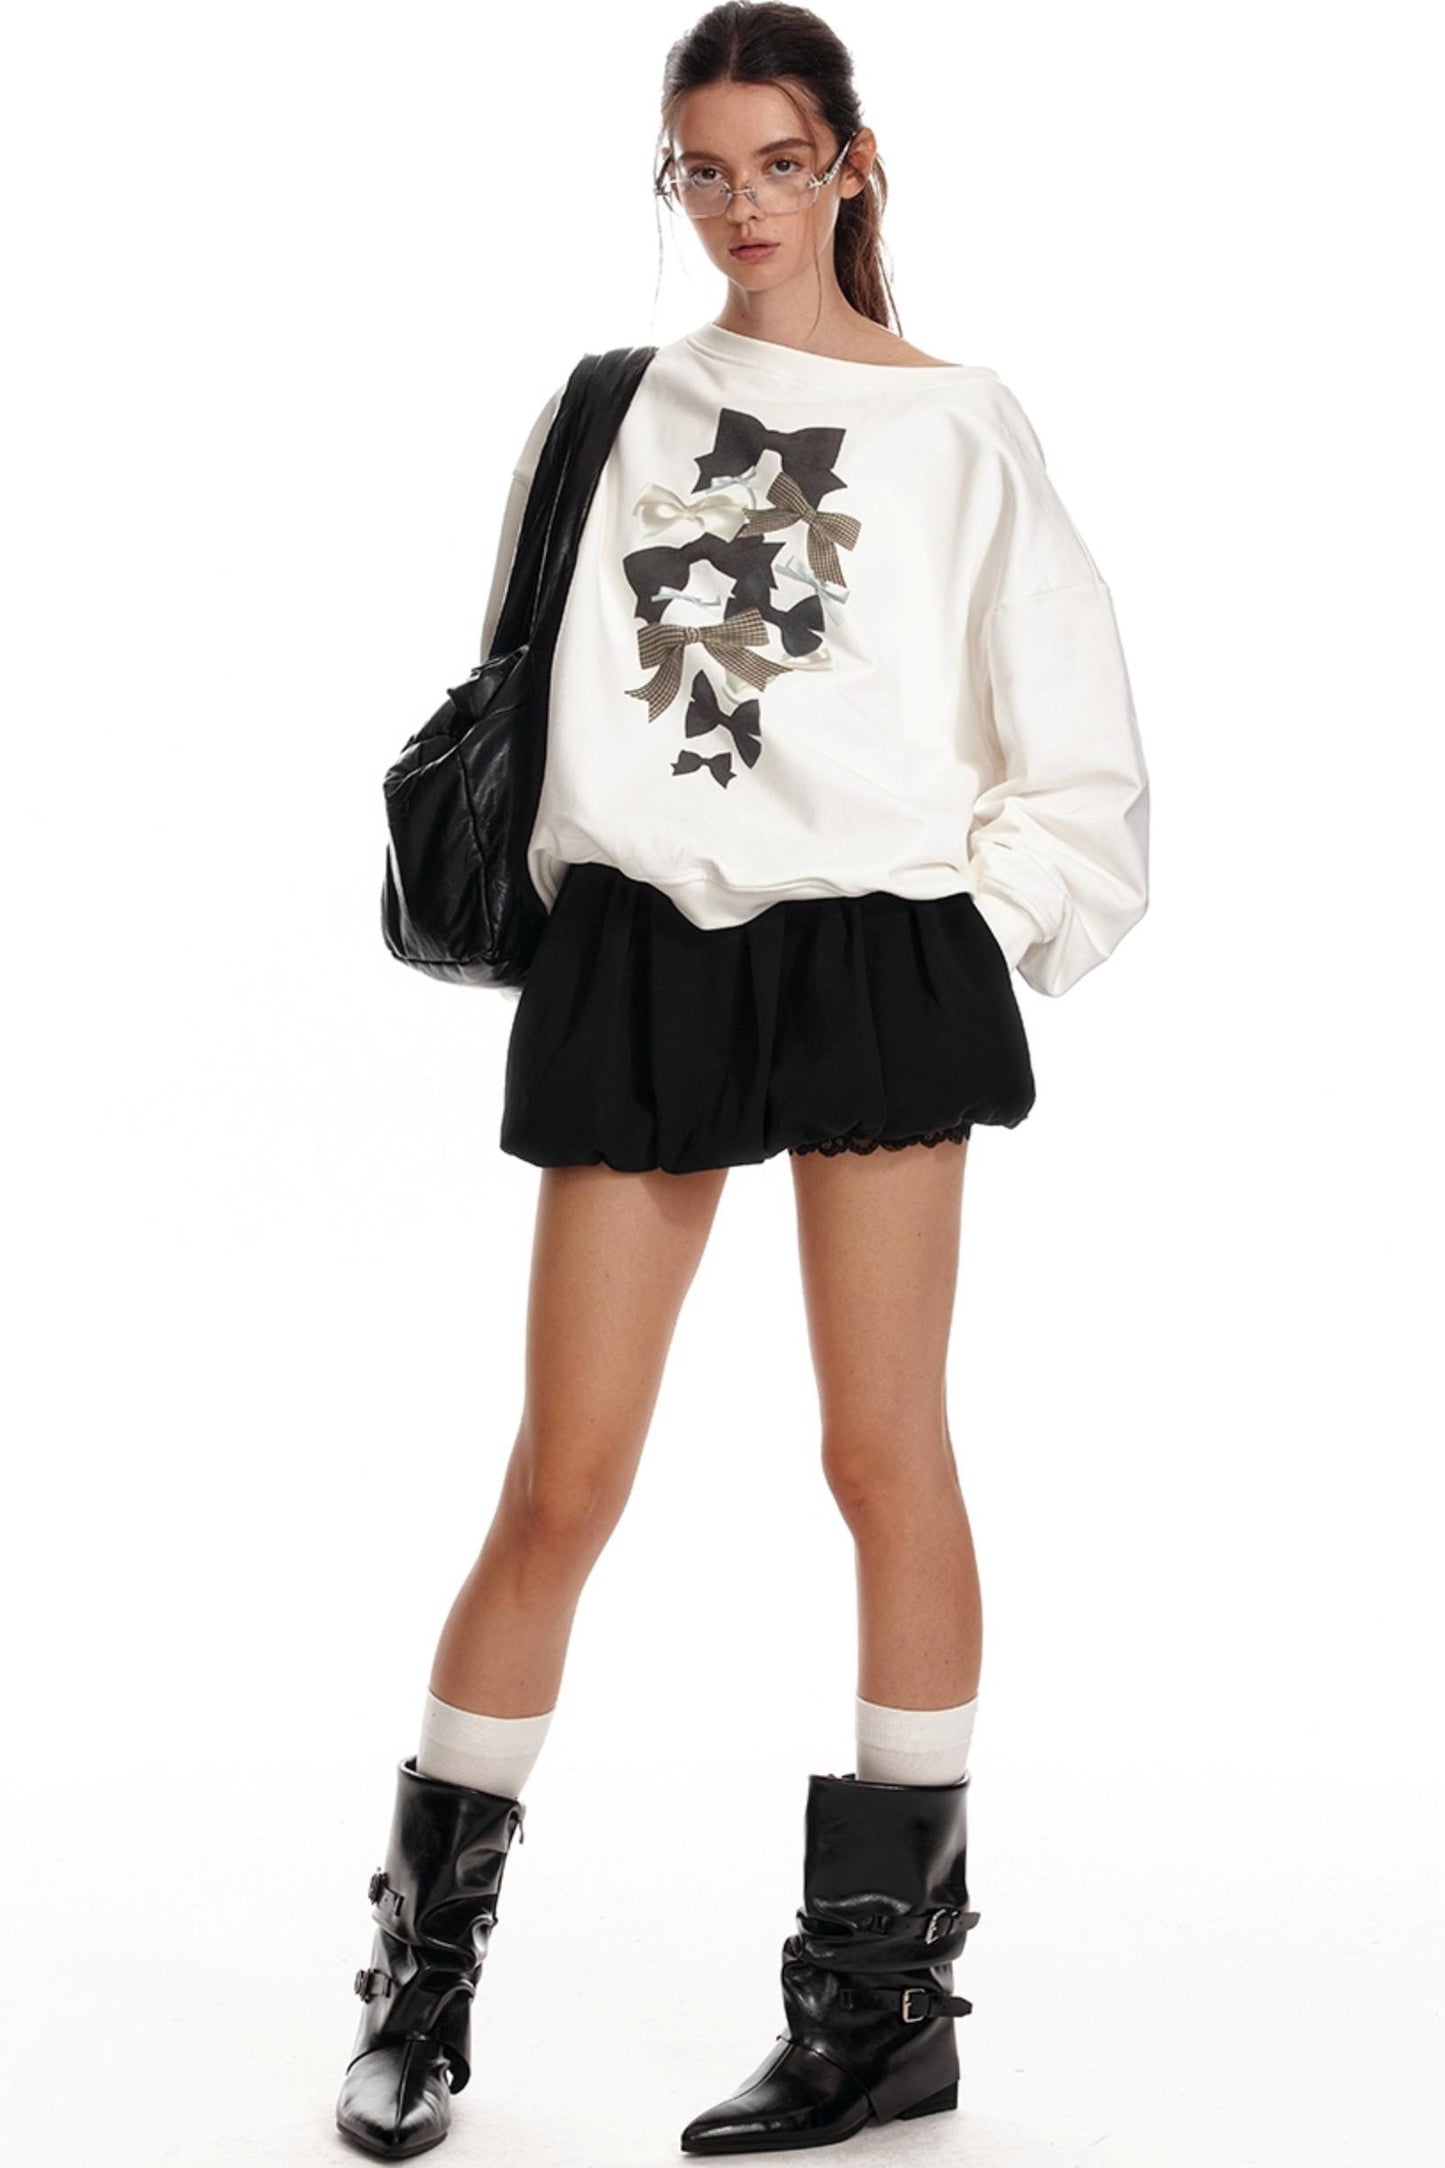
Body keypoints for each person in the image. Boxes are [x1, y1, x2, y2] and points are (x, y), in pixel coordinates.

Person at [336, 2, 1150, 2157]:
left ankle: (881, 2011)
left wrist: (969, 921)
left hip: (871, 946)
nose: (739, 207)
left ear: (852, 165)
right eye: (701, 168)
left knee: (884, 1453)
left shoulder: (960, 424)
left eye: (779, 162)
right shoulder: (609, 407)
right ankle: (419, 1988)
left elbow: (1075, 746)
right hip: (644, 947)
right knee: (564, 1475)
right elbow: (530, 681)